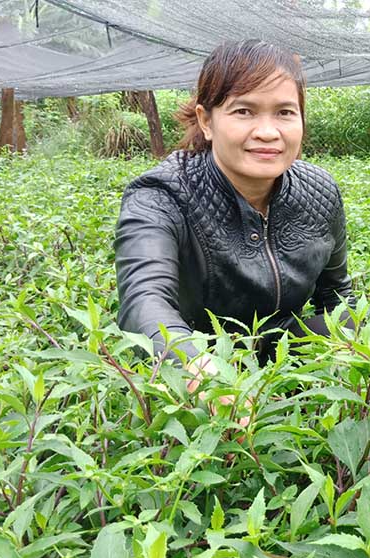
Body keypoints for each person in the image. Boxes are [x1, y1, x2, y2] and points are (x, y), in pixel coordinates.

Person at [115, 40, 353, 385]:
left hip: (288, 355)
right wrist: (194, 365)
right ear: (206, 121)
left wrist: (357, 356)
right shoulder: (160, 195)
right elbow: (144, 299)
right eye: (244, 111)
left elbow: (336, 296)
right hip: (202, 358)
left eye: (285, 112)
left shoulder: (320, 191)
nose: (268, 132)